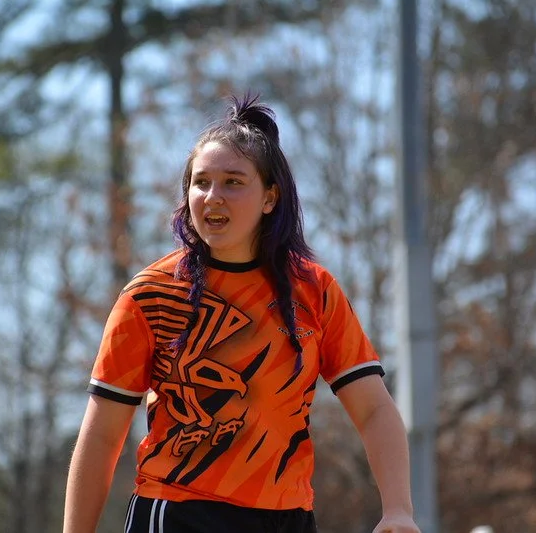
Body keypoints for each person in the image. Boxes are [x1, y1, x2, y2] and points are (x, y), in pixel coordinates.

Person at [62, 94, 421, 533]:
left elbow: (374, 410)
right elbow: (102, 435)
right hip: (176, 513)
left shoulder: (315, 291)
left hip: (287, 518)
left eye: (233, 182)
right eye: (201, 182)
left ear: (270, 198)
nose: (213, 196)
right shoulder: (149, 294)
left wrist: (398, 509)